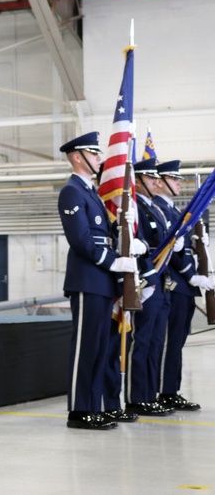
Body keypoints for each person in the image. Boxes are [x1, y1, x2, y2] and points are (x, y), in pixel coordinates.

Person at [58, 132, 137, 430]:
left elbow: (102, 234)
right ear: (78, 156)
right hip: (87, 278)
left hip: (101, 280)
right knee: (84, 347)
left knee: (100, 347)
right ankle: (79, 411)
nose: (100, 159)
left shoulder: (89, 192)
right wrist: (110, 261)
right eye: (94, 154)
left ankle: (93, 407)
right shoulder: (72, 192)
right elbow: (80, 238)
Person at [154, 159, 211, 411]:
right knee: (170, 340)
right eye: (174, 179)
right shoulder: (159, 209)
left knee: (178, 340)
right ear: (160, 181)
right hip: (174, 284)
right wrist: (190, 275)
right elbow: (169, 249)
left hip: (184, 286)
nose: (179, 182)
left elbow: (185, 247)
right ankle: (164, 391)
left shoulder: (174, 211)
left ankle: (171, 390)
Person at [124, 158, 176, 417]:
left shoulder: (153, 207)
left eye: (158, 177)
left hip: (161, 279)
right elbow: (141, 244)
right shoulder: (137, 209)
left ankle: (149, 394)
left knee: (156, 341)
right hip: (148, 279)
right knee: (142, 341)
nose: (158, 181)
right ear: (139, 181)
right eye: (151, 177)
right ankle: (137, 397)